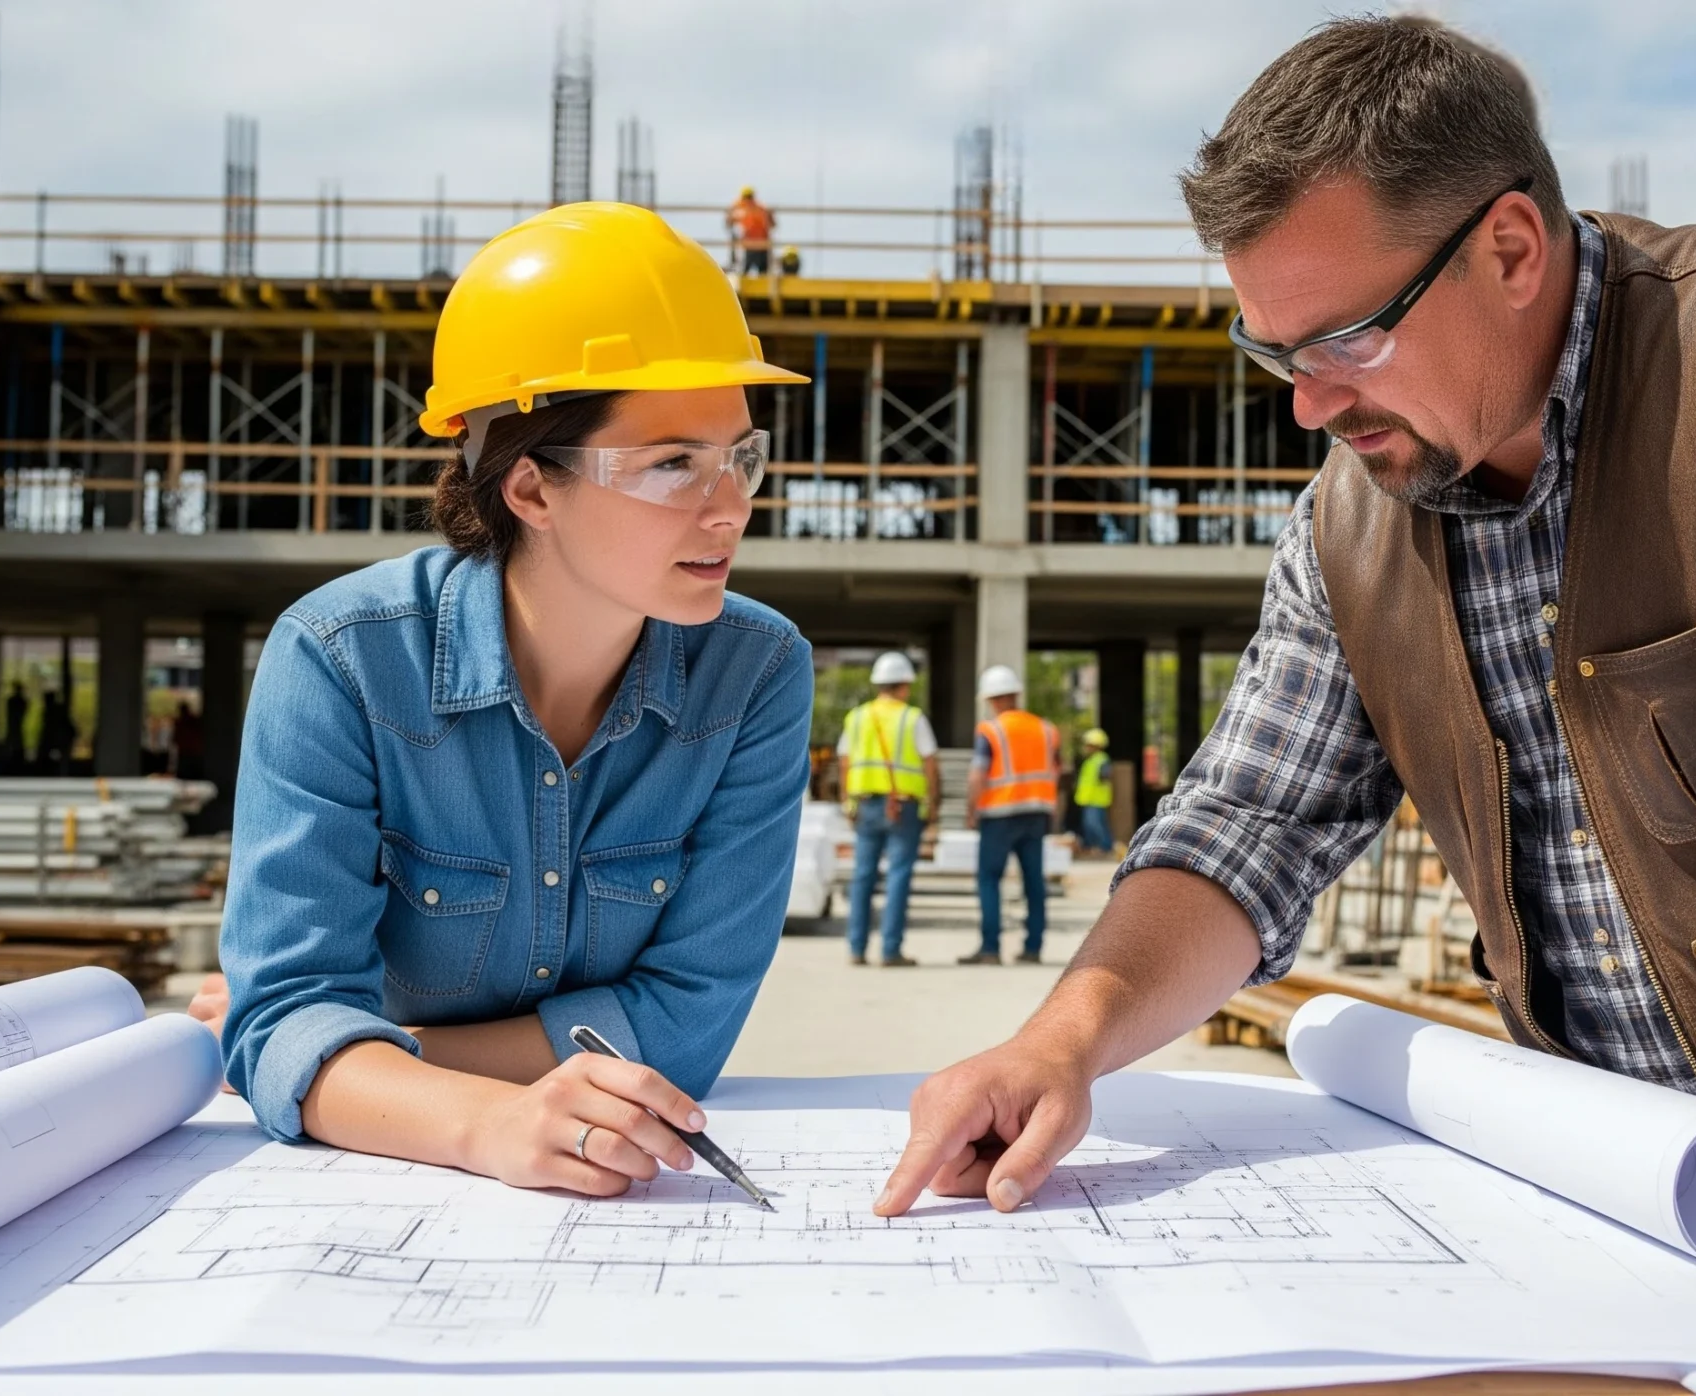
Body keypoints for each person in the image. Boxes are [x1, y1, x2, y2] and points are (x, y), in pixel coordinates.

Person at [874, 18, 1696, 1394]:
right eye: (1274, 353)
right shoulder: (1350, 528)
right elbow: (1246, 824)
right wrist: (1061, 1044)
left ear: (1507, 248)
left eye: (1347, 338)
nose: (1309, 405)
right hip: (1639, 1173)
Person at [190, 201, 814, 1200]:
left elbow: (686, 1028)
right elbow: (287, 1022)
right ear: (529, 489)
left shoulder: (756, 673)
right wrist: (481, 1120)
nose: (732, 506)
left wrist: (366, 1062)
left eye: (740, 455)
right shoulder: (342, 662)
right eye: (671, 465)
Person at [838, 651, 940, 966]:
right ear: (904, 685)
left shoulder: (856, 717)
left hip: (865, 804)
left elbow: (844, 761)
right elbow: (930, 763)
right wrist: (932, 804)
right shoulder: (912, 718)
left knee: (863, 876)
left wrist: (846, 800)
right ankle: (890, 950)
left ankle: (856, 949)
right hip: (904, 807)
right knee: (898, 876)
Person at [961, 665, 1059, 966]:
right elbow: (1057, 772)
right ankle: (1033, 948)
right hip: (1036, 813)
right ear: (1016, 694)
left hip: (999, 815)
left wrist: (971, 809)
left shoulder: (991, 730)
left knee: (990, 879)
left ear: (991, 699)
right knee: (1034, 883)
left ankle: (990, 949)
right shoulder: (1046, 729)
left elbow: (978, 774)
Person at [1070, 728, 1114, 857]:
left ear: (1097, 746)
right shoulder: (1090, 760)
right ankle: (1093, 846)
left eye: (1089, 745)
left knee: (1095, 825)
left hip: (1097, 799)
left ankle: (1105, 847)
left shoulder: (1102, 760)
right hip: (1088, 799)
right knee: (1089, 825)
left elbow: (1104, 776)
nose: (1086, 748)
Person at [727, 186, 775, 276]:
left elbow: (772, 223)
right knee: (748, 270)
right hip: (752, 244)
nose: (748, 200)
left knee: (760, 271)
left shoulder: (757, 209)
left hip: (759, 243)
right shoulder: (746, 209)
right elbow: (730, 222)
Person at [0, 681, 30, 772]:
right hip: (13, 728)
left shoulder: (17, 701)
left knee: (16, 744)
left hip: (16, 728)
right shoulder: (13, 701)